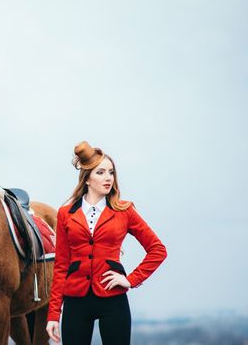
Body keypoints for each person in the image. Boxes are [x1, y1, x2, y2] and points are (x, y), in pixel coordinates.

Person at [46, 141, 168, 345]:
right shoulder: (65, 214)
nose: (108, 178)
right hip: (76, 300)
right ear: (87, 178)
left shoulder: (125, 211)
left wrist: (131, 280)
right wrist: (53, 314)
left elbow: (158, 250)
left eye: (111, 172)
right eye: (101, 172)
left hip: (113, 299)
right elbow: (61, 266)